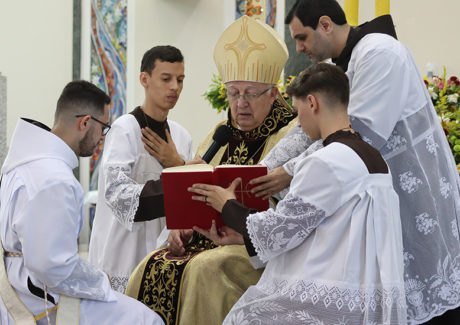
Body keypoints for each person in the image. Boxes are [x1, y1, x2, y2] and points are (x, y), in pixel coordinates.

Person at [250, 1, 460, 323]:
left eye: (301, 37)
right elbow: (306, 130)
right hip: (376, 189)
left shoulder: (380, 52)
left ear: (325, 24)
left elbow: (359, 132)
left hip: (412, 195)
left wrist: (289, 172)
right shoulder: (345, 63)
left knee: (422, 288)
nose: (299, 47)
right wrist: (264, 170)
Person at [190, 63, 407, 325]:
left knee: (242, 317)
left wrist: (227, 205)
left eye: (297, 110)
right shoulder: (373, 158)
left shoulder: (325, 162)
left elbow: (278, 230)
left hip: (327, 297)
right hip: (364, 296)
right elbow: (324, 231)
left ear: (312, 103)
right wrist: (239, 237)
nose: (298, 122)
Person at [125, 16, 300, 325]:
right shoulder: (222, 133)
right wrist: (183, 228)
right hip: (208, 238)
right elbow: (194, 190)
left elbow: (291, 206)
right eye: (233, 93)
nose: (240, 104)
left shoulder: (292, 135)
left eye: (251, 94)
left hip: (255, 247)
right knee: (151, 264)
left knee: (204, 270)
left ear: (273, 94)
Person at [0, 80, 163, 324]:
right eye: (104, 128)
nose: (103, 138)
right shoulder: (54, 179)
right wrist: (99, 280)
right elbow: (51, 265)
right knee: (146, 319)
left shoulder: (23, 163)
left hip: (16, 287)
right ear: (85, 122)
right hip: (41, 299)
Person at [88, 45, 195, 293]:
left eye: (180, 80)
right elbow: (118, 195)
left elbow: (188, 203)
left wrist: (178, 166)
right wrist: (177, 182)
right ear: (144, 79)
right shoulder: (124, 130)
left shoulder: (181, 135)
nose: (175, 88)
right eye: (166, 78)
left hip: (165, 255)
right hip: (122, 255)